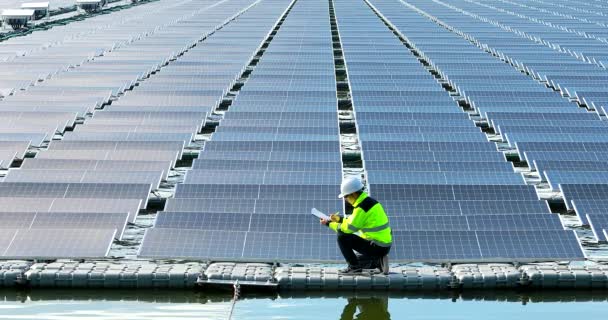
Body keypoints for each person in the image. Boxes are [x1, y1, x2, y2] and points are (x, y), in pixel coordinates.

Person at [320, 177, 392, 274]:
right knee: (358, 259)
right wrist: (339, 219)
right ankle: (379, 261)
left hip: (376, 245)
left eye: (346, 196)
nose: (345, 199)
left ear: (353, 194)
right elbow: (353, 222)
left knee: (342, 236)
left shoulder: (361, 208)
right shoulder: (370, 202)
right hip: (383, 245)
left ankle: (354, 268)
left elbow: (348, 229)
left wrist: (329, 224)